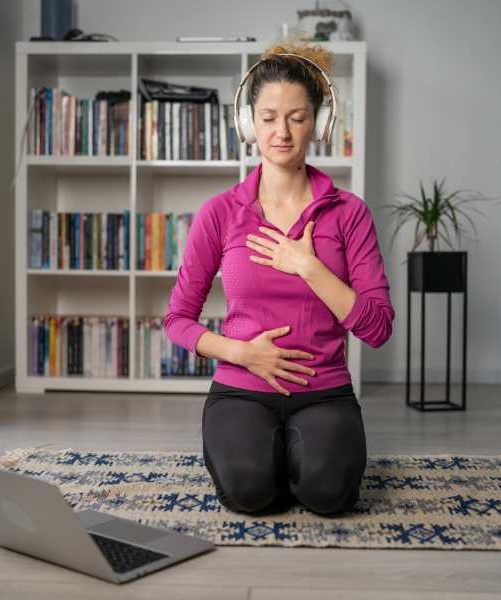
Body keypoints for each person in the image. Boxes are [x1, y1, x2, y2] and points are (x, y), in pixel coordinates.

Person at [163, 43, 395, 516]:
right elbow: (176, 319)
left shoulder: (349, 213)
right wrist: (242, 352)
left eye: (297, 117)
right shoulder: (220, 213)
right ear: (250, 123)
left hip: (324, 391)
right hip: (240, 388)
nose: (282, 132)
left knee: (329, 495)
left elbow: (378, 328)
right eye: (268, 117)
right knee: (248, 492)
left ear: (319, 123)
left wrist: (308, 266)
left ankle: (299, 458)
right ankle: (270, 459)